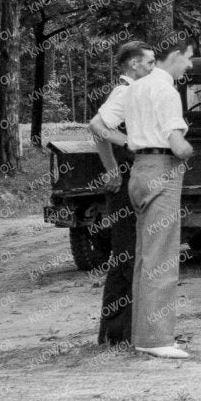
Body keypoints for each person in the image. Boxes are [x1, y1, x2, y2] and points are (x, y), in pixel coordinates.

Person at [123, 40, 198, 360]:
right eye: (189, 58)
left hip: (139, 168)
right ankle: (156, 338)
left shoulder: (137, 88)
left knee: (145, 257)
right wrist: (189, 151)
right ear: (176, 55)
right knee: (163, 256)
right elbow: (175, 140)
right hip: (163, 169)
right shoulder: (166, 91)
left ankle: (143, 334)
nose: (190, 65)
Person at [86, 39, 154, 346]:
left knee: (125, 253)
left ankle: (117, 333)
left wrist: (110, 166)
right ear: (133, 65)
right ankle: (127, 333)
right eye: (150, 62)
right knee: (128, 253)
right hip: (128, 179)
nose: (153, 67)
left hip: (128, 176)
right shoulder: (124, 92)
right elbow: (98, 126)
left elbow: (102, 132)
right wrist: (123, 151)